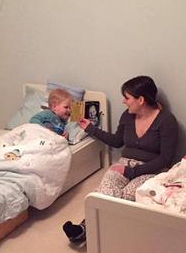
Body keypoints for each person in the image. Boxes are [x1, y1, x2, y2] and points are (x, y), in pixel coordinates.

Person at [63, 75, 178, 243]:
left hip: (152, 169)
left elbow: (165, 159)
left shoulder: (166, 121)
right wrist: (90, 128)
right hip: (124, 164)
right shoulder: (128, 116)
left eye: (127, 97)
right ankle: (84, 229)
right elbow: (117, 142)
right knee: (106, 191)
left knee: (126, 196)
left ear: (140, 100)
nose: (123, 101)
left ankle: (93, 232)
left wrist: (132, 171)